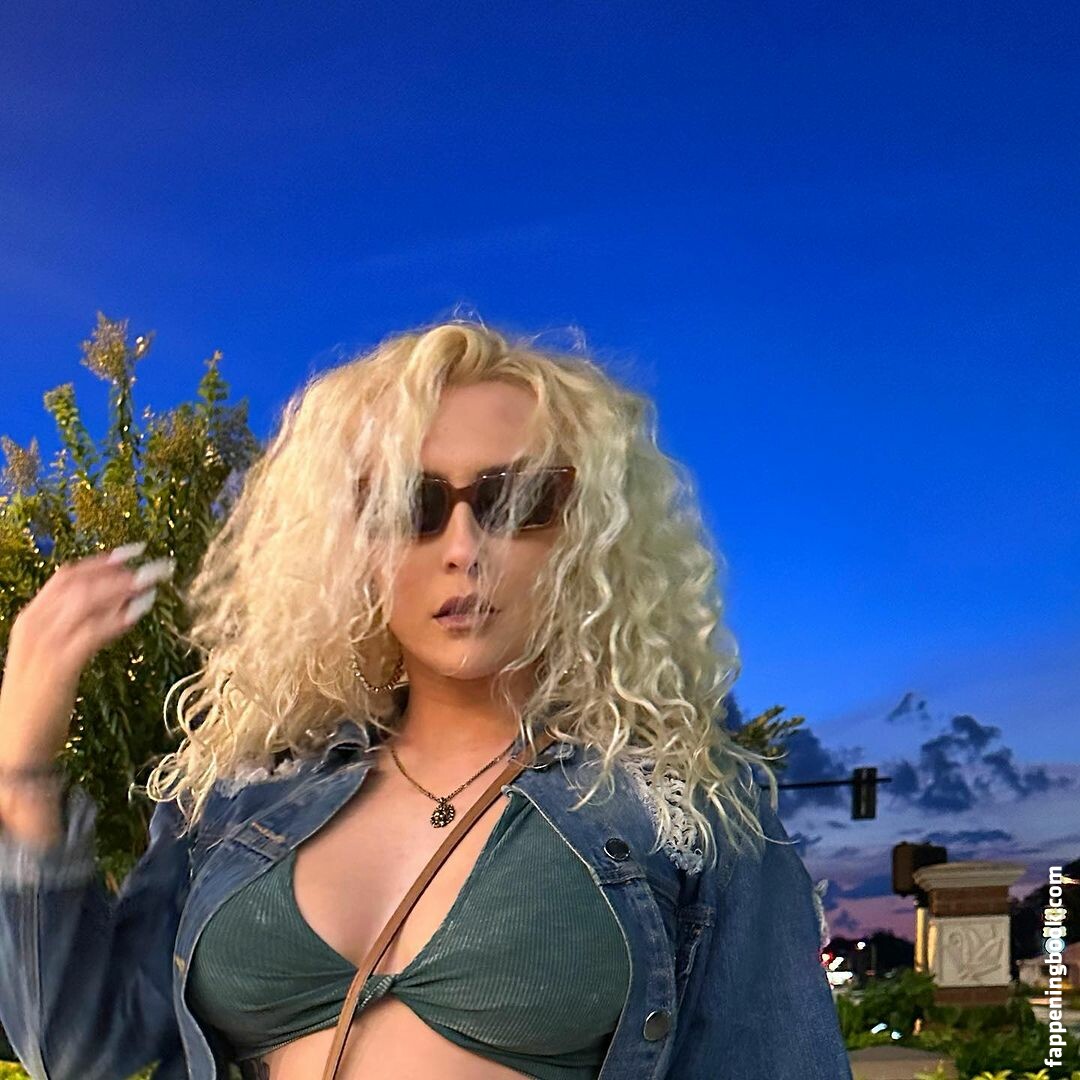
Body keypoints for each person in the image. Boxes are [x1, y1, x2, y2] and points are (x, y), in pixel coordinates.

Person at [0, 320, 853, 1080]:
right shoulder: (241, 797)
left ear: (587, 532)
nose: (463, 548)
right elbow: (80, 1052)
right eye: (411, 504)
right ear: (351, 544)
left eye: (516, 500)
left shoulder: (687, 811)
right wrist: (22, 768)